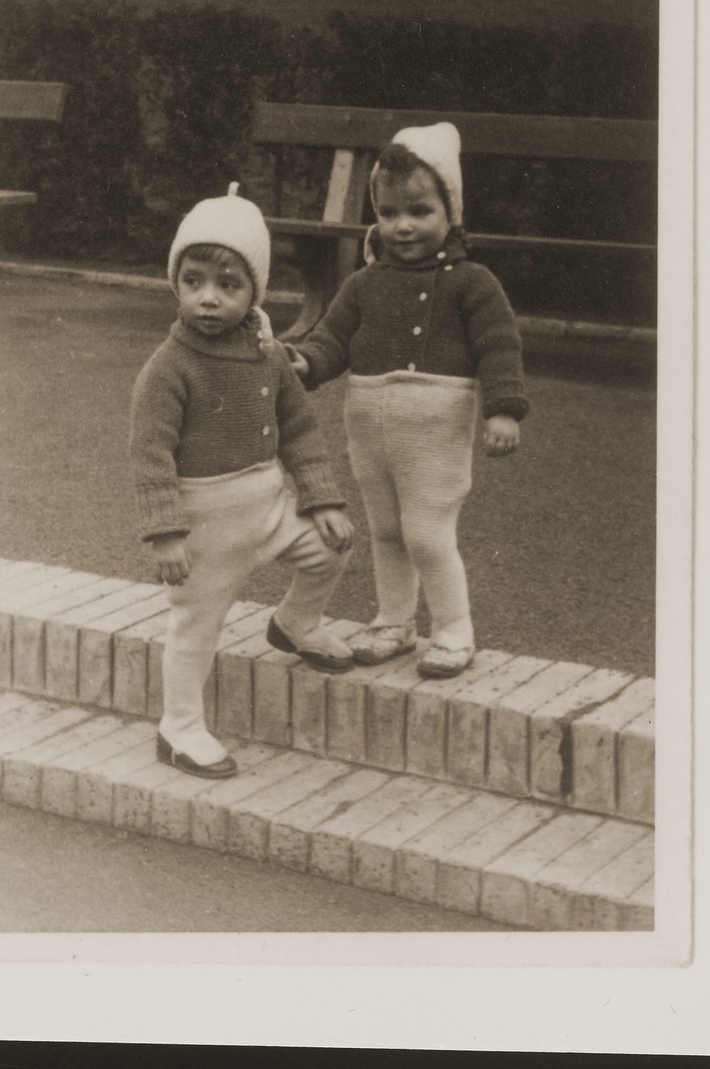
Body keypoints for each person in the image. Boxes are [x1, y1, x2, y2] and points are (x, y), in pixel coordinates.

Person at [287, 123, 529, 679]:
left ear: (452, 213)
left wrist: (503, 408)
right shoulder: (365, 283)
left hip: (435, 427)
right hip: (369, 425)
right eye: (389, 212)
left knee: (427, 532)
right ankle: (395, 621)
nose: (402, 226)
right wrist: (307, 362)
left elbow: (498, 345)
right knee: (388, 531)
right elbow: (332, 336)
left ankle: (453, 630)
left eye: (420, 211)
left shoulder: (473, 283)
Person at [130, 184, 355, 780]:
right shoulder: (168, 367)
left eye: (228, 285)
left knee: (331, 548)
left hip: (269, 503)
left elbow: (300, 429)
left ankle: (296, 624)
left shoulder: (269, 354)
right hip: (206, 520)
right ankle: (178, 727)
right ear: (175, 283)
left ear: (255, 290)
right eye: (193, 281)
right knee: (195, 625)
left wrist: (322, 497)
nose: (208, 298)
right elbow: (150, 456)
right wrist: (165, 534)